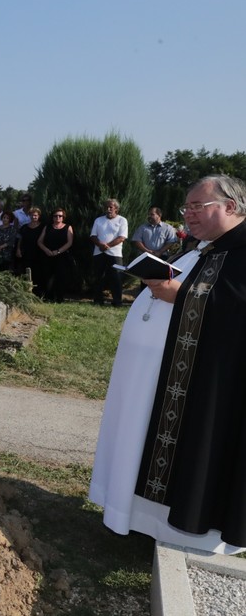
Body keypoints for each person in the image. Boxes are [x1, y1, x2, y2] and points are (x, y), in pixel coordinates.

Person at [90, 174, 246, 553]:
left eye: (197, 207)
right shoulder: (203, 247)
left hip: (211, 388)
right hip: (163, 378)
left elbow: (236, 310)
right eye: (185, 207)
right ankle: (143, 520)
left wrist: (181, 295)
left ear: (230, 206)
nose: (188, 214)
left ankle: (189, 534)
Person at [90, 198, 129, 306]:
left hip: (115, 253)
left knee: (116, 277)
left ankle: (117, 301)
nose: (108, 209)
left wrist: (108, 246)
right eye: (107, 207)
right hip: (99, 252)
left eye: (110, 207)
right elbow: (93, 236)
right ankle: (98, 300)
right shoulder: (98, 220)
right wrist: (100, 245)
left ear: (116, 209)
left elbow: (122, 237)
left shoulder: (122, 220)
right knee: (98, 277)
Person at [37, 208, 74, 302]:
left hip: (62, 256)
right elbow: (39, 241)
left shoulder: (68, 227)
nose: (58, 217)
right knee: (47, 276)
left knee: (61, 277)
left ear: (63, 217)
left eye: (60, 216)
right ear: (52, 217)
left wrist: (58, 251)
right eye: (55, 216)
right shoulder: (47, 227)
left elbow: (69, 242)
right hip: (47, 255)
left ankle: (59, 297)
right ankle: (48, 297)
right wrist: (46, 250)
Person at [16, 207, 46, 296]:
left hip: (39, 254)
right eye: (32, 215)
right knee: (26, 273)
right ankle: (26, 293)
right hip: (26, 254)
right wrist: (18, 249)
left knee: (38, 274)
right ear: (29, 215)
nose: (34, 217)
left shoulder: (43, 227)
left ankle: (38, 294)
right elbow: (20, 239)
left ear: (39, 216)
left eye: (35, 215)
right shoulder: (24, 227)